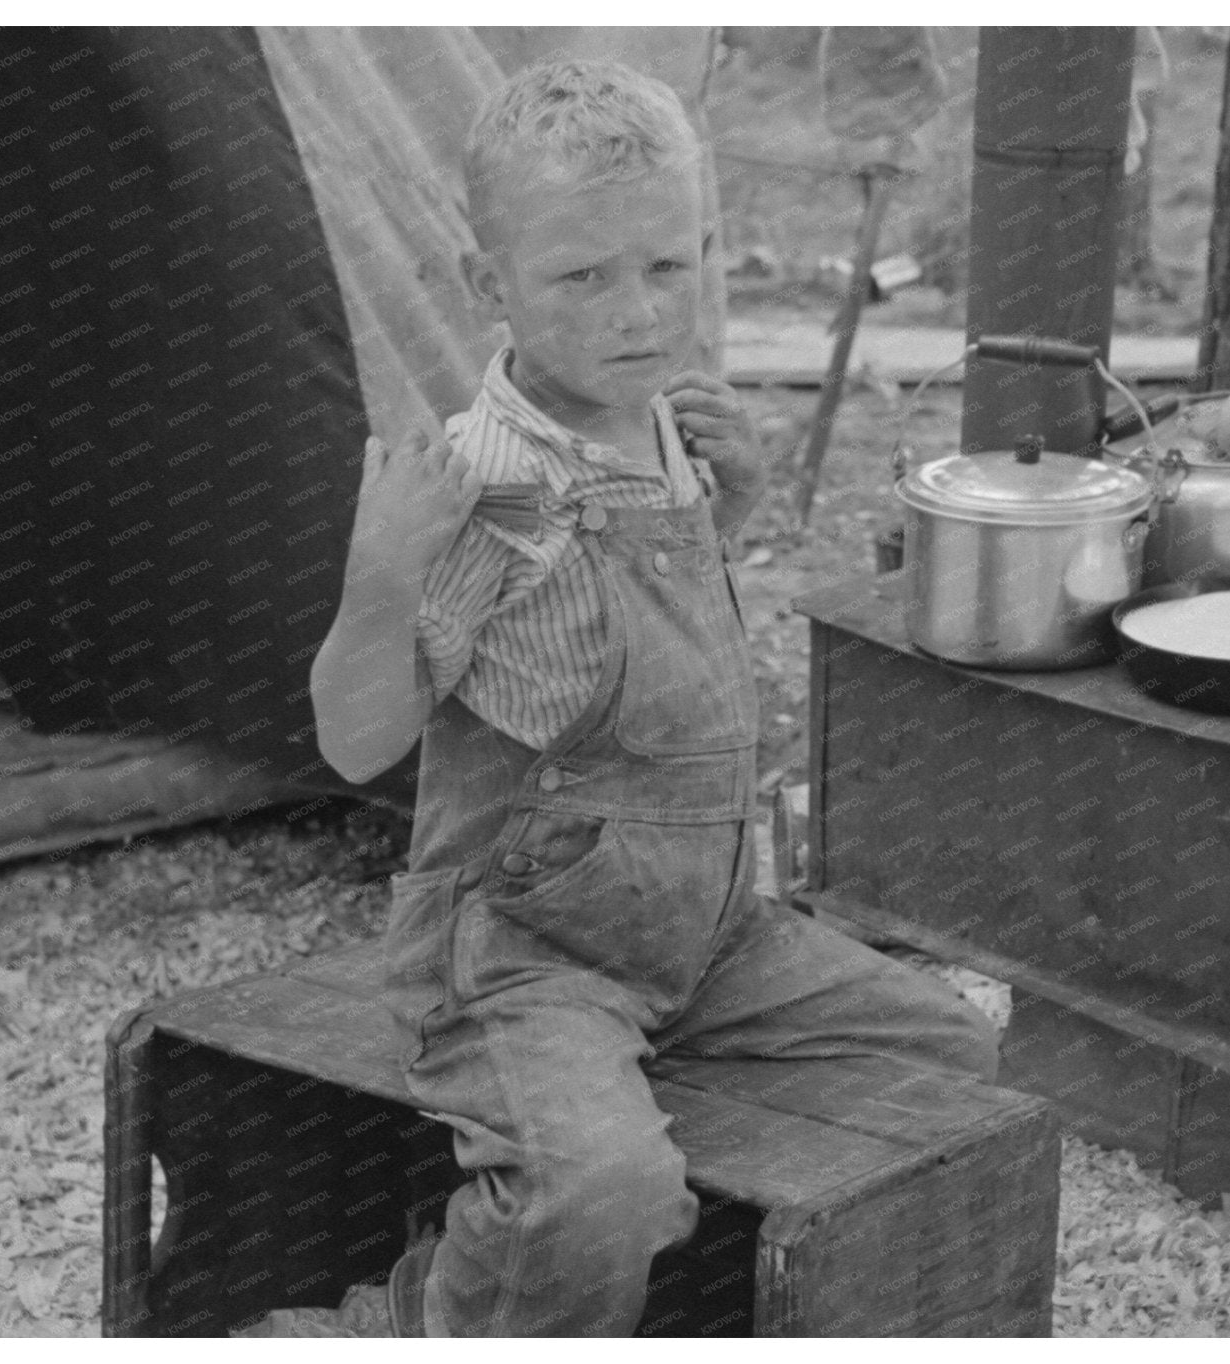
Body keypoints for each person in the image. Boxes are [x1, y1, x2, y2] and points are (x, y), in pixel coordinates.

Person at [307, 59, 997, 1338]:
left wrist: (719, 517)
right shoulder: (486, 492)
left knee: (946, 1055)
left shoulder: (662, 419)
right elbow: (354, 739)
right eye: (581, 277)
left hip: (706, 931)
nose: (637, 312)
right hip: (527, 954)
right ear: (489, 287)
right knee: (602, 1188)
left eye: (667, 266)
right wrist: (379, 577)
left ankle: (711, 1280)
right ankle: (419, 1311)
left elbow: (631, 640)